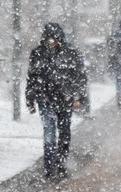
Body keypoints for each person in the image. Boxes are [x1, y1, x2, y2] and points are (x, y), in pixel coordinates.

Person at [26, 22, 89, 178]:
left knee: (64, 133)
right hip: (45, 99)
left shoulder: (71, 53)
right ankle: (49, 166)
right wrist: (30, 100)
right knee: (49, 132)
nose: (52, 42)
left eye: (54, 39)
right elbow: (32, 78)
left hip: (65, 99)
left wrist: (80, 97)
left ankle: (61, 163)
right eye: (49, 39)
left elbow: (80, 77)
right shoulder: (38, 53)